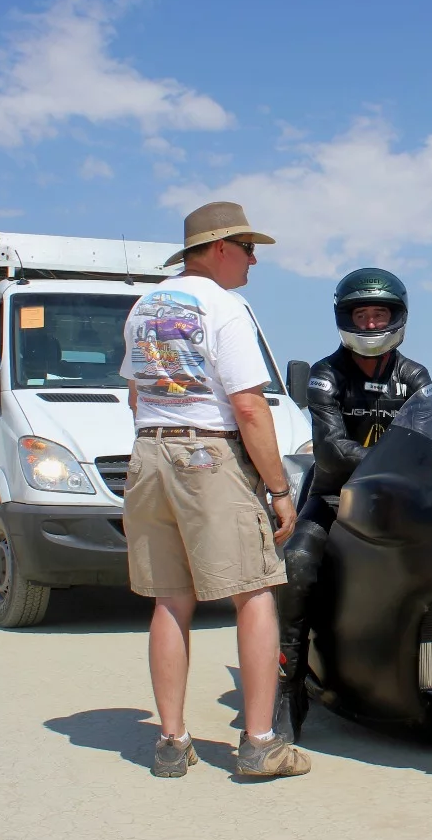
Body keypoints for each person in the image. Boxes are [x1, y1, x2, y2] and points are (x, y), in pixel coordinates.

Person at [120, 201, 310, 779]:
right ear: (220, 247)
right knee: (254, 591)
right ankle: (259, 743)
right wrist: (278, 489)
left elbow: (134, 394)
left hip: (149, 451)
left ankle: (172, 743)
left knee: (170, 601)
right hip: (208, 453)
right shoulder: (226, 307)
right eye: (249, 249)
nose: (254, 260)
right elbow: (248, 405)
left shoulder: (144, 306)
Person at [273, 267, 431, 742]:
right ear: (345, 318)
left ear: (397, 317)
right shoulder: (326, 373)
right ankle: (289, 688)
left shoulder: (415, 376)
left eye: (378, 313)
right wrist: (392, 460)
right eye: (360, 314)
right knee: (298, 562)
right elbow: (330, 450)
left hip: (396, 498)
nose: (369, 323)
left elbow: (426, 441)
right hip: (331, 497)